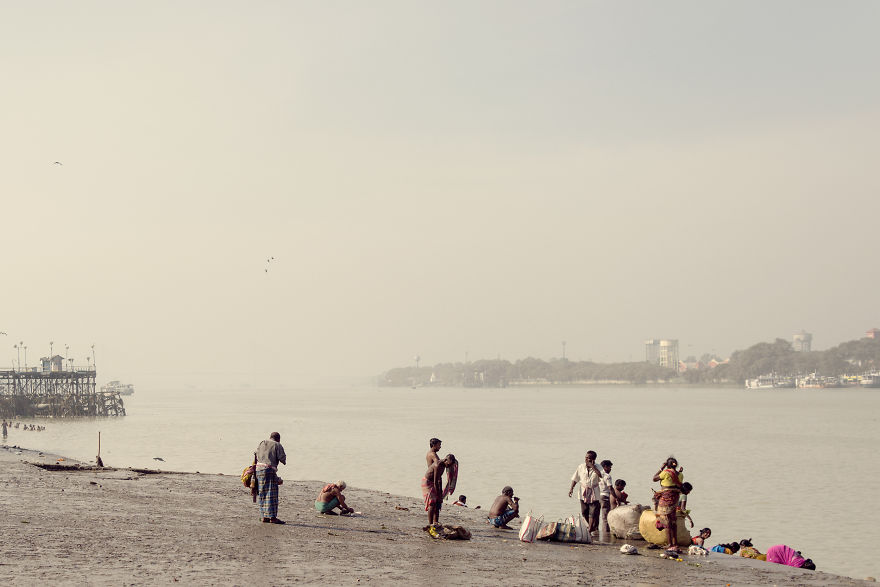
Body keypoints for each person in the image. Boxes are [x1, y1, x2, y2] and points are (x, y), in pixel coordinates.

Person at [652, 456, 684, 553]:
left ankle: (670, 544)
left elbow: (654, 478)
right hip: (674, 499)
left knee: (666, 521)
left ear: (667, 464)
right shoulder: (680, 475)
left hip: (665, 499)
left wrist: (661, 467)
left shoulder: (665, 472)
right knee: (673, 520)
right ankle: (675, 543)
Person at [255, 432, 287, 524]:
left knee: (262, 493)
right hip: (269, 470)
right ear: (278, 439)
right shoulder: (277, 444)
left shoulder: (262, 442)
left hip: (258, 470)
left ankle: (264, 517)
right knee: (272, 494)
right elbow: (282, 458)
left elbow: (256, 455)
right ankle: (272, 518)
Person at [569, 450, 603, 536]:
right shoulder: (581, 467)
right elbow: (575, 478)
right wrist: (571, 488)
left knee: (593, 511)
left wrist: (592, 466)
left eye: (589, 458)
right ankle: (591, 526)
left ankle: (590, 529)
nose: (587, 459)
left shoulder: (598, 467)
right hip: (583, 491)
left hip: (594, 492)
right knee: (584, 511)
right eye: (586, 457)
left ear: (593, 459)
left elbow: (601, 475)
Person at [422, 453, 456, 530]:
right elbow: (435, 481)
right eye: (449, 464)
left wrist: (440, 493)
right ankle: (430, 524)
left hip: (435, 482)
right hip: (428, 482)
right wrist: (438, 493)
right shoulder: (438, 465)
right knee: (432, 502)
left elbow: (439, 480)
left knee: (438, 502)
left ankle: (435, 522)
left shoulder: (444, 465)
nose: (449, 467)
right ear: (446, 460)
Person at [597, 460, 616, 533]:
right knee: (605, 517)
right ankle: (606, 533)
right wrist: (615, 497)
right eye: (609, 467)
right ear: (605, 467)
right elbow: (610, 487)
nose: (610, 469)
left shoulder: (597, 474)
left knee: (597, 516)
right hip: (605, 496)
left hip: (597, 496)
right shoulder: (607, 476)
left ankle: (596, 531)